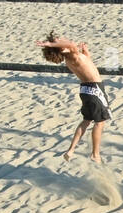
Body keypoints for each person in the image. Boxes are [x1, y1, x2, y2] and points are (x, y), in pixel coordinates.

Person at [36, 31, 111, 162]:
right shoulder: (73, 55)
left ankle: (71, 150)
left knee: (86, 120)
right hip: (95, 89)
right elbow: (70, 44)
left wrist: (85, 50)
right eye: (59, 40)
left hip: (85, 90)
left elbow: (87, 63)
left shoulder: (70, 59)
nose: (62, 39)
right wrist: (50, 43)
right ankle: (95, 154)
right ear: (61, 47)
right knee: (99, 123)